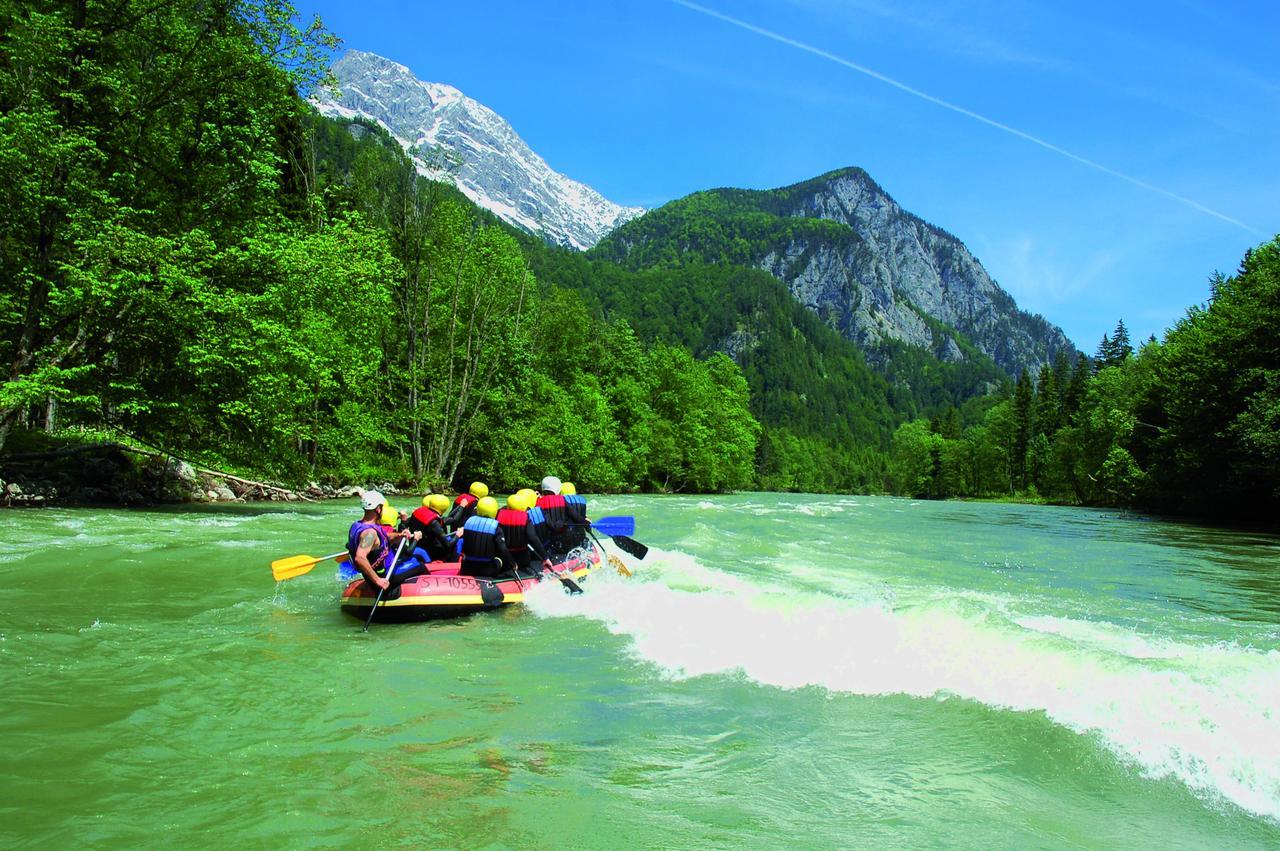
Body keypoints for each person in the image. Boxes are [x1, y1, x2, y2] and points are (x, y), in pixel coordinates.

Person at [347, 490, 426, 591]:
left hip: (383, 570)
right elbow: (360, 558)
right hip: (386, 575)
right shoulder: (370, 533)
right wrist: (378, 580)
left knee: (410, 561)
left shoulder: (357, 525)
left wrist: (399, 535)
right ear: (378, 509)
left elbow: (381, 538)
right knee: (420, 565)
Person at [496, 492, 554, 578]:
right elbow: (533, 538)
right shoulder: (525, 518)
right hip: (522, 558)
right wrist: (545, 557)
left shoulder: (498, 514)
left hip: (503, 557)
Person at [458, 496, 516, 578]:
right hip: (487, 571)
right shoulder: (496, 527)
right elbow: (503, 549)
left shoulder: (468, 522)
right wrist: (512, 563)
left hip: (466, 568)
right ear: (494, 511)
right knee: (499, 558)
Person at [403, 494, 456, 563]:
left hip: (418, 546)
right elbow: (448, 545)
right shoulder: (434, 522)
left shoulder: (417, 512)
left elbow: (404, 524)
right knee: (457, 542)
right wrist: (458, 535)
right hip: (432, 552)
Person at [535, 475, 570, 556]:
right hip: (562, 539)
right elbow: (575, 517)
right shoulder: (563, 500)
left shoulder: (537, 502)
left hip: (545, 541)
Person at [561, 481, 589, 551]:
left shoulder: (560, 501)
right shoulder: (582, 500)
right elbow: (584, 517)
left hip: (566, 536)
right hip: (581, 535)